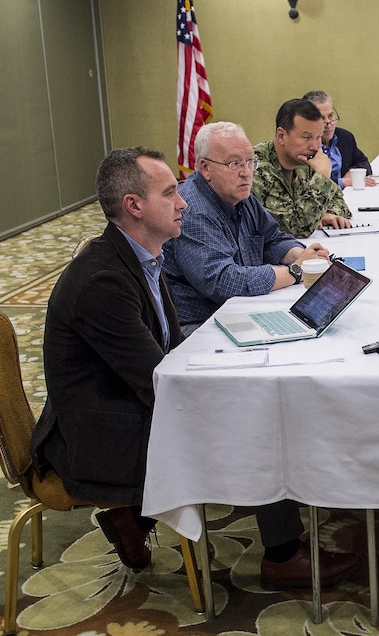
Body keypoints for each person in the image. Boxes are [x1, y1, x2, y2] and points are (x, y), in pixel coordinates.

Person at [32, 148, 358, 588]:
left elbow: (167, 349)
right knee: (256, 416)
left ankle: (135, 519)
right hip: (98, 434)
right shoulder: (103, 280)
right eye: (170, 193)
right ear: (135, 207)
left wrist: (238, 352)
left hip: (122, 401)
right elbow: (160, 385)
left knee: (248, 387)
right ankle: (281, 556)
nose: (184, 201)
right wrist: (230, 388)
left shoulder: (142, 254)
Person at [163, 121, 333, 334]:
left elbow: (272, 238)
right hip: (200, 325)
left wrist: (303, 255)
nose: (246, 173)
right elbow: (222, 282)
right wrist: (296, 270)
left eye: (250, 162)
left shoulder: (241, 196)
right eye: (234, 164)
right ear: (205, 168)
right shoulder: (193, 210)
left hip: (238, 311)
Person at [252, 98, 354, 235]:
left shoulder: (305, 159)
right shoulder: (256, 167)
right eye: (306, 137)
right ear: (281, 136)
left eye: (318, 137)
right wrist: (322, 177)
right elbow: (296, 227)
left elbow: (340, 202)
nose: (315, 146)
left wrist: (326, 214)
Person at [303, 90, 376, 189]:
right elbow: (307, 184)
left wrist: (351, 173)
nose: (329, 123)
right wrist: (341, 182)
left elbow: (363, 163)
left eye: (330, 116)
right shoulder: (305, 147)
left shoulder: (345, 137)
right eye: (321, 118)